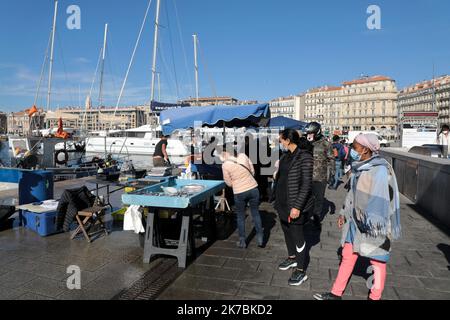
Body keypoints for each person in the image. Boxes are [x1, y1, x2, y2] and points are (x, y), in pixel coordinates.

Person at [313, 133, 402, 301]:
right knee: (347, 255)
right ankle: (335, 293)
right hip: (355, 222)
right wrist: (343, 213)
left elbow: (384, 201)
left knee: (377, 262)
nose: (352, 150)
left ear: (365, 149)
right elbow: (352, 195)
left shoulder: (381, 170)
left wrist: (370, 220)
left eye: (354, 147)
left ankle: (375, 296)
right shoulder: (359, 167)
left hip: (375, 224)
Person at [273, 129, 314, 286]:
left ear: (288, 140)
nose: (280, 142)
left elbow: (306, 185)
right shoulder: (285, 156)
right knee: (286, 231)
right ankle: (292, 258)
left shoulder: (305, 157)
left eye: (281, 140)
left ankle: (301, 270)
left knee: (298, 237)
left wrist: (297, 207)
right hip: (282, 203)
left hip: (295, 205)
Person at [219, 143, 264, 249]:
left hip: (239, 192)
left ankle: (242, 241)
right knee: (256, 214)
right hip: (253, 188)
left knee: (240, 217)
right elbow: (252, 171)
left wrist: (237, 183)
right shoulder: (243, 156)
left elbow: (228, 183)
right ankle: (260, 239)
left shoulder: (225, 165)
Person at [305, 122, 335, 229]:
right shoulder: (306, 143)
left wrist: (331, 175)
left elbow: (331, 159)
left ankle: (316, 218)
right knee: (307, 198)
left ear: (317, 132)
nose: (309, 135)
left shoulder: (326, 144)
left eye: (311, 133)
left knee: (319, 199)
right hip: (307, 176)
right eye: (308, 133)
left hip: (320, 177)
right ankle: (307, 217)